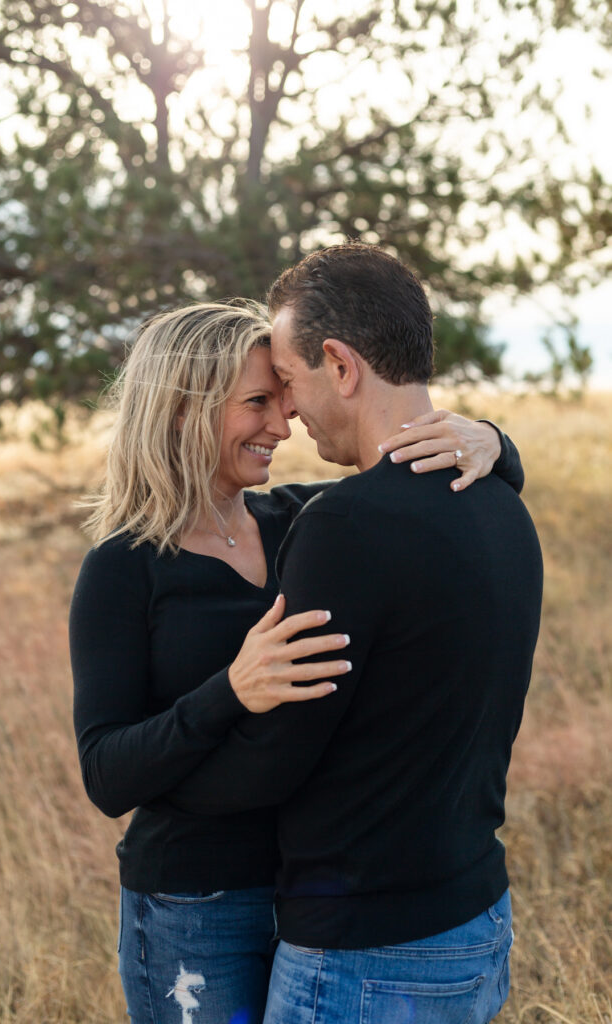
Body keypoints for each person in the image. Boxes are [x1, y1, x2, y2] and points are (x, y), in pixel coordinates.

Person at [69, 298, 525, 1024]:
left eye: (283, 401)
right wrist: (230, 691)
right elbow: (105, 772)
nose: (281, 426)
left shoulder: (299, 519)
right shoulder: (123, 568)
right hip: (194, 906)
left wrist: (493, 444)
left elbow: (406, 496)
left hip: (306, 894)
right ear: (184, 410)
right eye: (257, 404)